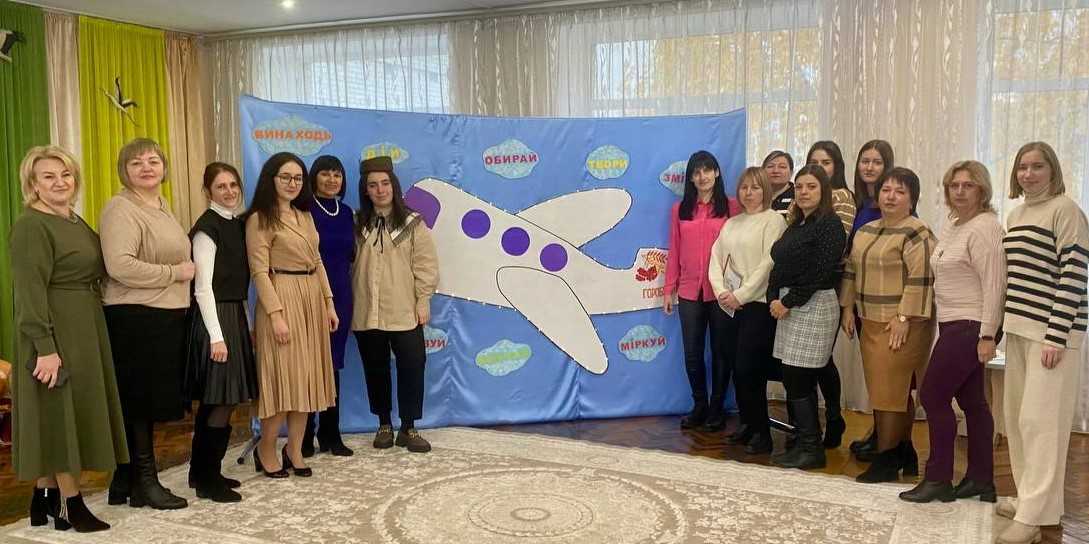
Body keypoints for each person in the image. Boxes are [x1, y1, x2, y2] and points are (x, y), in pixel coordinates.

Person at [12, 146, 127, 532]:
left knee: (64, 412)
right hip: (53, 329)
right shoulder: (31, 226)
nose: (60, 182)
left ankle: (42, 498)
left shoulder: (73, 219)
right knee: (59, 414)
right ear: (33, 184)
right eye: (48, 176)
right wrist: (45, 348)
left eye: (66, 175)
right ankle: (70, 504)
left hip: (83, 325)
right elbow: (28, 292)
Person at [993, 142, 1088, 544]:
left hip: (1052, 336)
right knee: (1018, 420)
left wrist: (1056, 335)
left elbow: (1074, 274)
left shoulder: (1065, 210)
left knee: (1041, 424)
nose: (1028, 174)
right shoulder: (1016, 215)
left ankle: (1033, 517)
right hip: (1019, 329)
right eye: (1022, 167)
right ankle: (1031, 500)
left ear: (1053, 170)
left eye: (1037, 167)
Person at [899, 160, 1004, 504]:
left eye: (968, 185)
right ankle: (980, 480)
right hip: (953, 323)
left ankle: (938, 478)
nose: (959, 191)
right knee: (973, 402)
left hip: (970, 325)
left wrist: (988, 335)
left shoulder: (986, 227)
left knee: (932, 396)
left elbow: (995, 284)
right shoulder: (955, 224)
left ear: (982, 190)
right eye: (954, 185)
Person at [101, 138, 191, 510]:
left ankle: (124, 481)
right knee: (140, 403)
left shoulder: (162, 206)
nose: (146, 167)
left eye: (153, 160)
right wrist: (175, 273)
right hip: (135, 317)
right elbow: (119, 265)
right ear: (124, 171)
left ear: (164, 168)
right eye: (136, 162)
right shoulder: (120, 208)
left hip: (162, 315)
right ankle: (145, 483)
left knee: (146, 401)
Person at [245, 152, 338, 478]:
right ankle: (266, 448)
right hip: (281, 295)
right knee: (283, 379)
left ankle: (294, 449)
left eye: (297, 178)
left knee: (306, 381)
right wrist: (275, 315)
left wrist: (328, 302)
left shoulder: (305, 215)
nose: (292, 183)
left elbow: (318, 261)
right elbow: (259, 272)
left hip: (311, 297)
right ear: (271, 179)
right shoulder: (260, 219)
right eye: (285, 177)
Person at [840, 166, 935, 483]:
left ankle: (886, 457)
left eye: (900, 191)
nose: (891, 196)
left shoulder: (917, 232)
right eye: (886, 190)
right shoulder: (866, 230)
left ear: (912, 199)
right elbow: (851, 270)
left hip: (903, 324)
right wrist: (847, 308)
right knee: (882, 391)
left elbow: (922, 278)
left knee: (892, 392)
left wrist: (904, 317)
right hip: (870, 321)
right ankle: (903, 450)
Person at [352, 156, 439, 452]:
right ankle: (384, 424)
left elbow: (426, 265)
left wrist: (423, 300)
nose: (380, 190)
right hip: (367, 310)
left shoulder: (413, 224)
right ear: (365, 190)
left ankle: (409, 427)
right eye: (373, 185)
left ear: (394, 185)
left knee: (413, 365)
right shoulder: (357, 224)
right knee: (375, 368)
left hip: (404, 309)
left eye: (385, 183)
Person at [184, 162, 258, 503]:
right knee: (220, 400)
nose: (229, 191)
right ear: (208, 191)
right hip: (214, 319)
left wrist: (245, 324)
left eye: (233, 185)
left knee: (220, 400)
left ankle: (201, 472)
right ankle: (207, 479)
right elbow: (203, 288)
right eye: (220, 186)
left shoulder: (236, 224)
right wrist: (216, 336)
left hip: (233, 316)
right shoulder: (206, 228)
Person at [766, 165, 847, 469]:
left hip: (813, 304)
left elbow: (819, 273)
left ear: (823, 191)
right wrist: (773, 297)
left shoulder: (830, 224)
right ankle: (804, 441)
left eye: (811, 186)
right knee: (793, 376)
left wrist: (787, 301)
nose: (803, 192)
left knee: (799, 377)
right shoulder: (797, 224)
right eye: (799, 186)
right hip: (790, 305)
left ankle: (812, 449)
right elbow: (779, 263)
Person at [708, 167, 787, 454]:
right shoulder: (732, 223)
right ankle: (748, 424)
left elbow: (768, 264)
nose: (749, 193)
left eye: (755, 187)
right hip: (730, 306)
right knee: (736, 368)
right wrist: (721, 292)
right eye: (744, 187)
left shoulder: (773, 220)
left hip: (757, 306)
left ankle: (762, 433)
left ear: (765, 189)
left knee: (750, 369)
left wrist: (740, 295)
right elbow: (716, 258)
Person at [663, 150, 740, 432]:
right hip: (688, 291)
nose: (702, 176)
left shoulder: (732, 207)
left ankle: (717, 408)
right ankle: (700, 405)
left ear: (717, 173)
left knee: (721, 351)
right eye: (697, 172)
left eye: (707, 170)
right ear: (691, 178)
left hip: (722, 292)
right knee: (693, 354)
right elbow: (674, 249)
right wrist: (668, 288)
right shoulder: (680, 210)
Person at [302, 155, 356, 458]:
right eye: (325, 173)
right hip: (311, 295)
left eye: (337, 174)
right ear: (314, 177)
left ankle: (330, 433)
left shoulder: (346, 212)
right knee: (310, 366)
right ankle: (304, 434)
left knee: (333, 365)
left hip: (342, 295)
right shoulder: (303, 209)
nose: (332, 179)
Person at [846, 139, 895, 460]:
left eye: (877, 162)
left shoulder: (893, 204)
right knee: (874, 374)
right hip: (862, 298)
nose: (869, 167)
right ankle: (879, 432)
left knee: (890, 378)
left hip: (887, 303)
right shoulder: (861, 204)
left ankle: (892, 444)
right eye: (865, 161)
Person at [803, 141, 854, 448]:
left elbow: (835, 242)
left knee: (821, 357)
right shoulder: (805, 196)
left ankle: (834, 418)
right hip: (801, 284)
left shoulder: (842, 197)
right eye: (815, 161)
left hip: (828, 282)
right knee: (806, 359)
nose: (821, 167)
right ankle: (808, 425)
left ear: (837, 167)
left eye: (826, 162)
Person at [763, 150, 795, 217]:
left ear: (791, 172)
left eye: (782, 167)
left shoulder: (798, 195)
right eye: (770, 166)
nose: (776, 171)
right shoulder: (757, 195)